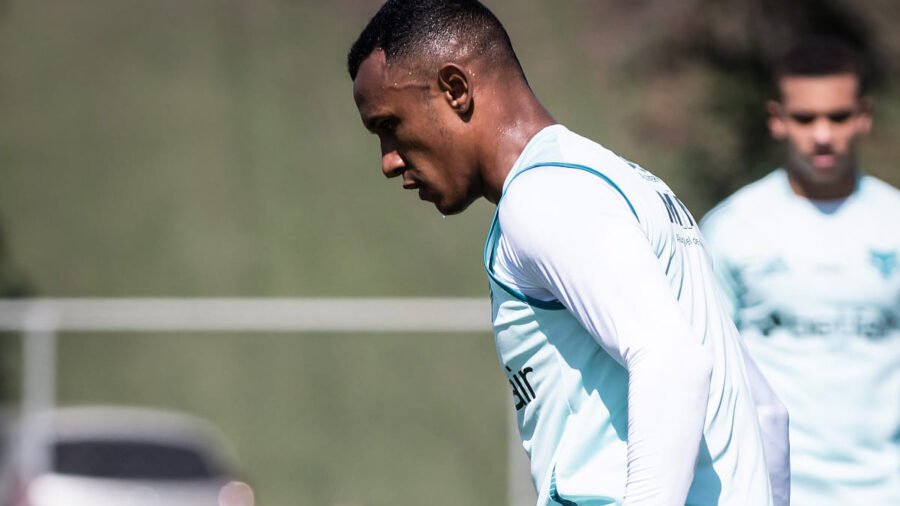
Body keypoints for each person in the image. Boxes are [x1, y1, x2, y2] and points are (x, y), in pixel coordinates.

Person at [348, 1, 788, 504]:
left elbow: (673, 361)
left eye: (390, 125)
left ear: (455, 89)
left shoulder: (544, 195)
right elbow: (766, 413)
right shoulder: (627, 184)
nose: (388, 160)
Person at [701, 37, 900, 506]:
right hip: (772, 491)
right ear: (777, 119)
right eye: (806, 118)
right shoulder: (731, 228)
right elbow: (708, 373)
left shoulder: (893, 221)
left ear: (864, 115)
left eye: (839, 116)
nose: (823, 134)